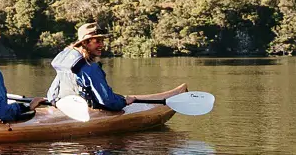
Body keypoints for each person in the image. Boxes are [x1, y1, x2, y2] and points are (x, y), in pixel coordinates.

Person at [44, 19, 188, 119]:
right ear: (86, 43)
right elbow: (107, 102)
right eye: (97, 41)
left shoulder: (69, 62)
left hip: (64, 107)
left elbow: (52, 93)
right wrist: (124, 102)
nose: (102, 45)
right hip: (89, 112)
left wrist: (53, 102)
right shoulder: (90, 67)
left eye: (102, 41)